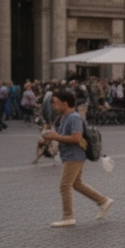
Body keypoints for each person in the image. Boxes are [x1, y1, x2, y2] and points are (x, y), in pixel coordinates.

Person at [42, 89, 113, 227]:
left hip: (75, 156)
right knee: (77, 184)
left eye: (56, 103)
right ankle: (103, 201)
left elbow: (77, 137)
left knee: (64, 185)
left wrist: (56, 137)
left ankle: (68, 216)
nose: (53, 106)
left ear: (65, 103)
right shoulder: (64, 118)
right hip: (70, 155)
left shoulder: (74, 118)